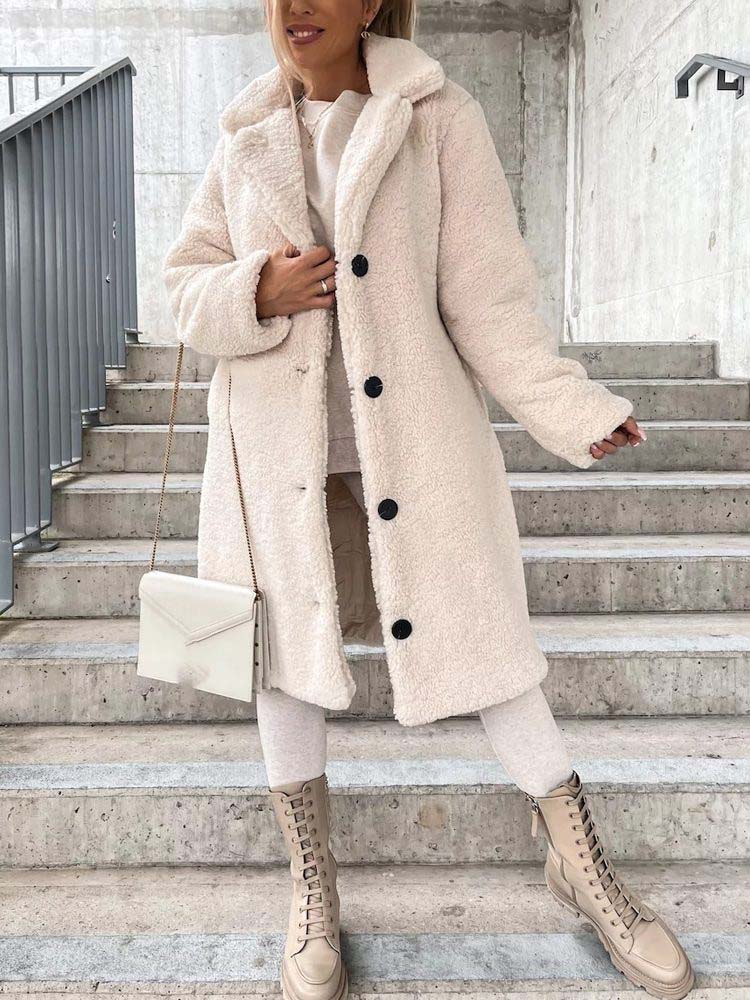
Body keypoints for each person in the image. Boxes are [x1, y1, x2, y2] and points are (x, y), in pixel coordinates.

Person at [161, 2, 694, 999]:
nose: (296, 6)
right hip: (273, 456)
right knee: (283, 665)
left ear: (371, 1)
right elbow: (185, 286)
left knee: (493, 649)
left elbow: (487, 297)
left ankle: (583, 869)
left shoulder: (437, 116)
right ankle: (312, 886)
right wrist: (255, 291)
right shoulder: (245, 134)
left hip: (415, 447)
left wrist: (568, 407)